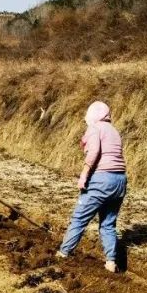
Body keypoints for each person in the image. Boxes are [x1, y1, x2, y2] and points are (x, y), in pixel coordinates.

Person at [57, 101, 127, 272]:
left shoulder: (95, 128)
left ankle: (63, 254)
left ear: (93, 115)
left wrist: (84, 174)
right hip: (120, 181)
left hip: (101, 180)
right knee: (108, 224)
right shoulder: (114, 131)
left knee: (79, 218)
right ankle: (111, 262)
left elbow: (94, 151)